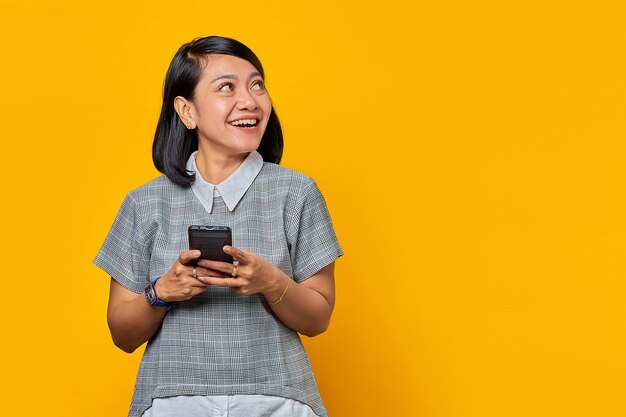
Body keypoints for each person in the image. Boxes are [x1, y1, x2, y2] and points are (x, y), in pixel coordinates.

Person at [94, 36, 343, 417]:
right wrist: (163, 291)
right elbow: (122, 334)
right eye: (227, 87)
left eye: (256, 84)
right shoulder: (144, 203)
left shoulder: (296, 192)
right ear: (187, 111)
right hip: (172, 403)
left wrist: (271, 281)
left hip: (277, 402)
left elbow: (319, 318)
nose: (250, 100)